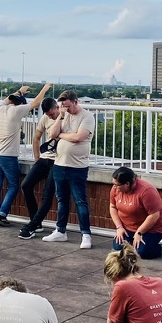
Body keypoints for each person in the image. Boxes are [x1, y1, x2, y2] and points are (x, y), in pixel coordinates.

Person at [0, 83, 52, 227]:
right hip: (7, 155)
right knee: (13, 185)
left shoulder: (0, 108)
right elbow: (36, 103)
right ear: (20, 104)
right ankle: (1, 215)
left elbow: (7, 99)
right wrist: (45, 88)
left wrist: (19, 91)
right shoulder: (17, 111)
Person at [42, 90, 96, 249]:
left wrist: (61, 135)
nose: (65, 109)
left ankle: (85, 234)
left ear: (76, 102)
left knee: (80, 200)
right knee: (61, 199)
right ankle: (60, 230)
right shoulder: (63, 116)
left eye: (67, 106)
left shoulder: (87, 117)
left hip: (77, 166)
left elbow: (78, 137)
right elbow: (52, 134)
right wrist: (61, 116)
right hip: (60, 164)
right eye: (62, 106)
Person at [18, 98, 61, 239]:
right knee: (26, 185)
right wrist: (37, 157)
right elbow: (36, 137)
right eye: (47, 114)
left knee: (47, 195)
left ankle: (32, 226)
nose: (50, 116)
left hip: (59, 161)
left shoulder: (65, 117)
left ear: (57, 107)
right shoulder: (45, 118)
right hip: (45, 158)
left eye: (51, 114)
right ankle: (36, 222)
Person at [108, 166, 162, 259]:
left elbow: (154, 215)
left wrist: (139, 233)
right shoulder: (115, 189)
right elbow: (112, 206)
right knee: (118, 250)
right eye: (113, 184)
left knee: (142, 252)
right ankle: (133, 243)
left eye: (117, 185)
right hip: (128, 227)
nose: (114, 187)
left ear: (127, 184)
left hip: (150, 229)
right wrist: (119, 227)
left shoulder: (146, 191)